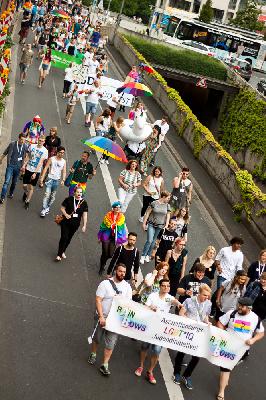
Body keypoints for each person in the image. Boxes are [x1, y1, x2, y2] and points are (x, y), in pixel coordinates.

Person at [135, 279, 182, 384]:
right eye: (164, 286)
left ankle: (150, 371)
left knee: (156, 350)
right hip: (150, 326)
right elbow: (145, 306)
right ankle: (141, 366)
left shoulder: (169, 298)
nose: (166, 288)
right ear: (160, 286)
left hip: (161, 329)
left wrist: (179, 303)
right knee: (144, 347)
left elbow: (174, 301)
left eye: (168, 286)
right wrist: (150, 307)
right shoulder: (153, 296)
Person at [87, 264, 132, 376]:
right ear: (115, 271)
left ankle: (105, 364)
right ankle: (93, 353)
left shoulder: (127, 287)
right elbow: (98, 300)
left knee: (111, 343)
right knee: (97, 338)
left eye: (124, 272)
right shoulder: (105, 284)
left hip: (115, 321)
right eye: (120, 271)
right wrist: (101, 316)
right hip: (102, 317)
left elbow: (128, 305)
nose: (122, 274)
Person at [216, 297, 264, 400]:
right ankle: (221, 391)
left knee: (230, 366)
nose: (239, 307)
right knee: (226, 367)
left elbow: (261, 333)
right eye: (239, 304)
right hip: (228, 346)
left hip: (242, 350)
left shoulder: (255, 318)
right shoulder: (231, 313)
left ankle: (226, 375)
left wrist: (253, 340)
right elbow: (220, 323)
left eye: (242, 306)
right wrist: (223, 333)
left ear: (249, 308)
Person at [173, 284, 212, 390]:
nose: (206, 298)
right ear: (199, 293)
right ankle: (176, 373)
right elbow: (181, 313)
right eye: (204, 295)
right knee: (182, 351)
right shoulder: (189, 301)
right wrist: (191, 322)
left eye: (208, 296)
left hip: (199, 332)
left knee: (197, 356)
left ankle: (187, 375)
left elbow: (205, 316)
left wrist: (207, 322)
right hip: (188, 330)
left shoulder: (208, 303)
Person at [56, 186, 88, 261]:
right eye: (78, 192)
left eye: (81, 192)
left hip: (75, 224)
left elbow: (85, 215)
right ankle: (59, 254)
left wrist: (84, 225)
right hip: (65, 222)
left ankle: (63, 251)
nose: (79, 193)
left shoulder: (84, 203)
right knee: (64, 237)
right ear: (74, 192)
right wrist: (66, 214)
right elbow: (62, 208)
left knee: (69, 238)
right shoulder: (69, 199)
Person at [140, 191, 171, 264]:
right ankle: (143, 255)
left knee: (154, 241)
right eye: (168, 198)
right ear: (163, 197)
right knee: (150, 240)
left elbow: (168, 216)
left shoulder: (167, 206)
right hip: (151, 224)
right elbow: (147, 213)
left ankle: (148, 255)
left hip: (160, 225)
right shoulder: (154, 203)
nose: (168, 199)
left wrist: (166, 225)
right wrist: (144, 223)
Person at [98, 202, 127, 274]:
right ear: (113, 208)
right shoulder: (107, 216)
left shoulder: (122, 217)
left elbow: (121, 226)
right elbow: (103, 226)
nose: (117, 209)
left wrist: (114, 225)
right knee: (105, 252)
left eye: (119, 207)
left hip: (115, 237)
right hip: (106, 235)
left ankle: (103, 260)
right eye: (116, 207)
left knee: (110, 254)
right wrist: (100, 237)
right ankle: (102, 266)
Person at [22, 135, 48, 210]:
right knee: (24, 185)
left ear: (44, 142)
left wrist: (35, 173)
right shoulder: (32, 146)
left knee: (31, 187)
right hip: (28, 168)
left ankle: (27, 201)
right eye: (39, 140)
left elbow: (40, 162)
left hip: (36, 171)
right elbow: (28, 156)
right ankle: (26, 193)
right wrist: (24, 165)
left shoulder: (45, 151)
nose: (40, 142)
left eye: (42, 141)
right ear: (38, 140)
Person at [0, 133, 28, 204]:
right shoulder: (12, 144)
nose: (22, 141)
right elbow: (5, 152)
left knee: (14, 182)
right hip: (10, 166)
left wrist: (24, 166)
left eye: (24, 140)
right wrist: (1, 159)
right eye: (21, 139)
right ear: (18, 138)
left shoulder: (25, 146)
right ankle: (2, 197)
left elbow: (27, 156)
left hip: (18, 167)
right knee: (6, 182)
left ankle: (11, 193)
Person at [39, 146, 66, 217]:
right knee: (47, 195)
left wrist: (63, 180)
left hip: (56, 181)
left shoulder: (64, 161)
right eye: (60, 152)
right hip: (49, 179)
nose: (61, 154)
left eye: (63, 153)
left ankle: (47, 207)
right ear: (57, 152)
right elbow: (46, 168)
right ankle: (44, 209)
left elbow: (64, 172)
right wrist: (42, 178)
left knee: (52, 196)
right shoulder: (51, 159)